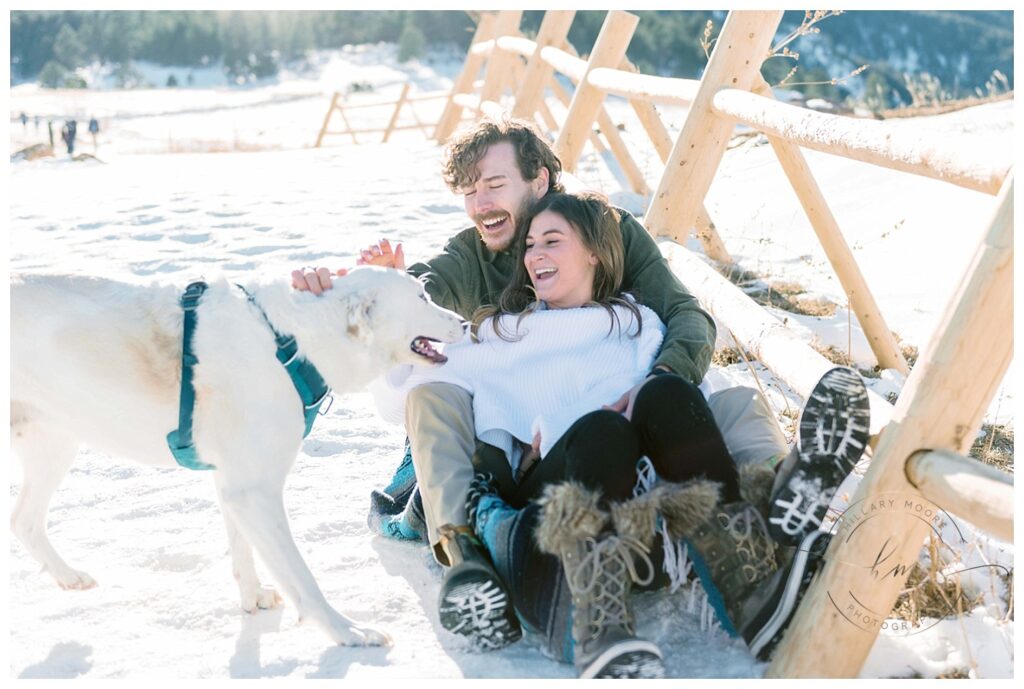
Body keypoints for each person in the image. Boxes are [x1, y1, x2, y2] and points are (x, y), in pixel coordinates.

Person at [292, 118, 844, 655]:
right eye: (468, 191)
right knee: (438, 398)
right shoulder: (474, 261)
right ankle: (466, 549)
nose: (480, 203)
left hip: (630, 421)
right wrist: (382, 286)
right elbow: (422, 301)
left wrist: (662, 376)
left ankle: (777, 507)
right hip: (545, 448)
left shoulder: (611, 234)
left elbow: (683, 315)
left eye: (494, 184)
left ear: (539, 180)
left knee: (729, 402)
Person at [369, 192, 869, 677]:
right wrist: (392, 297)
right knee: (603, 429)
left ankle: (752, 589)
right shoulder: (502, 335)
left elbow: (704, 400)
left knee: (668, 392)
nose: (533, 256)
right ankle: (598, 626)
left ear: (594, 251)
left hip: (648, 482)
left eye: (551, 242)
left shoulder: (641, 324)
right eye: (529, 247)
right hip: (554, 488)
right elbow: (406, 387)